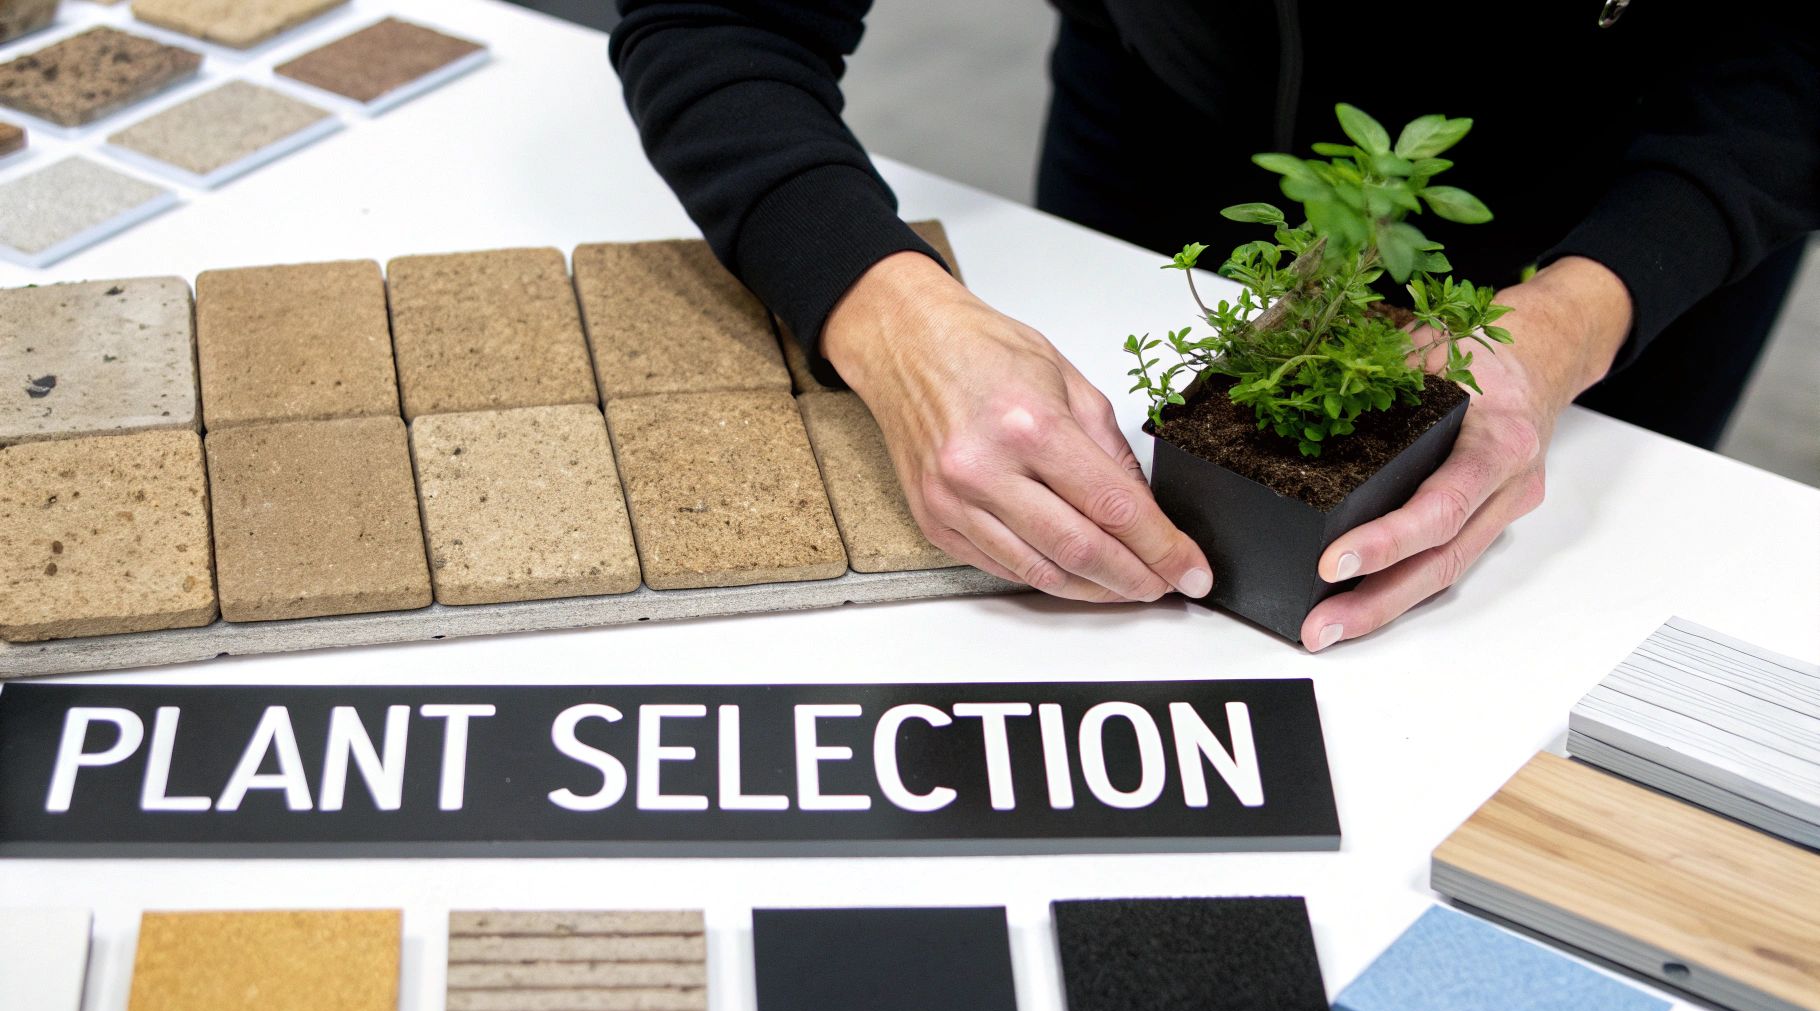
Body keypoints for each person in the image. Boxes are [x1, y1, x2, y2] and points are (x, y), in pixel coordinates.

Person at [608, 1, 1818, 649]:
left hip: (1649, 194)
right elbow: (716, 15)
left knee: (1562, 638)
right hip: (1175, 113)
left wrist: (1580, 310)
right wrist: (892, 317)